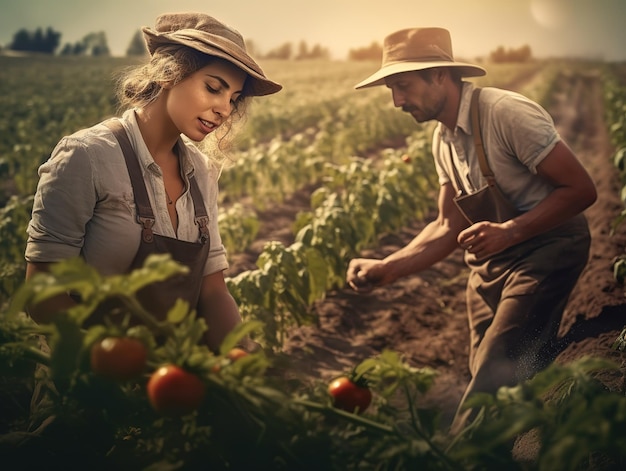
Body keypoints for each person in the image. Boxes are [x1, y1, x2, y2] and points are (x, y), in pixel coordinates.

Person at [346, 27, 597, 434]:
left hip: (547, 249)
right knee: (487, 366)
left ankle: (463, 457)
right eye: (392, 89)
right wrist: (387, 268)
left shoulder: (505, 113)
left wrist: (511, 231)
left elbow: (581, 190)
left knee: (497, 365)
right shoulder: (442, 140)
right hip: (493, 263)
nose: (397, 101)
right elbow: (447, 226)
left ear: (440, 75)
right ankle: (519, 433)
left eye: (403, 86)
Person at [24, 12, 282, 352]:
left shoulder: (201, 171)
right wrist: (118, 360)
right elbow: (42, 294)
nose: (223, 109)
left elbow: (213, 291)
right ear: (168, 74)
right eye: (213, 87)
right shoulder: (87, 157)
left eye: (233, 99)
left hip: (169, 390)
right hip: (84, 388)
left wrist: (241, 355)